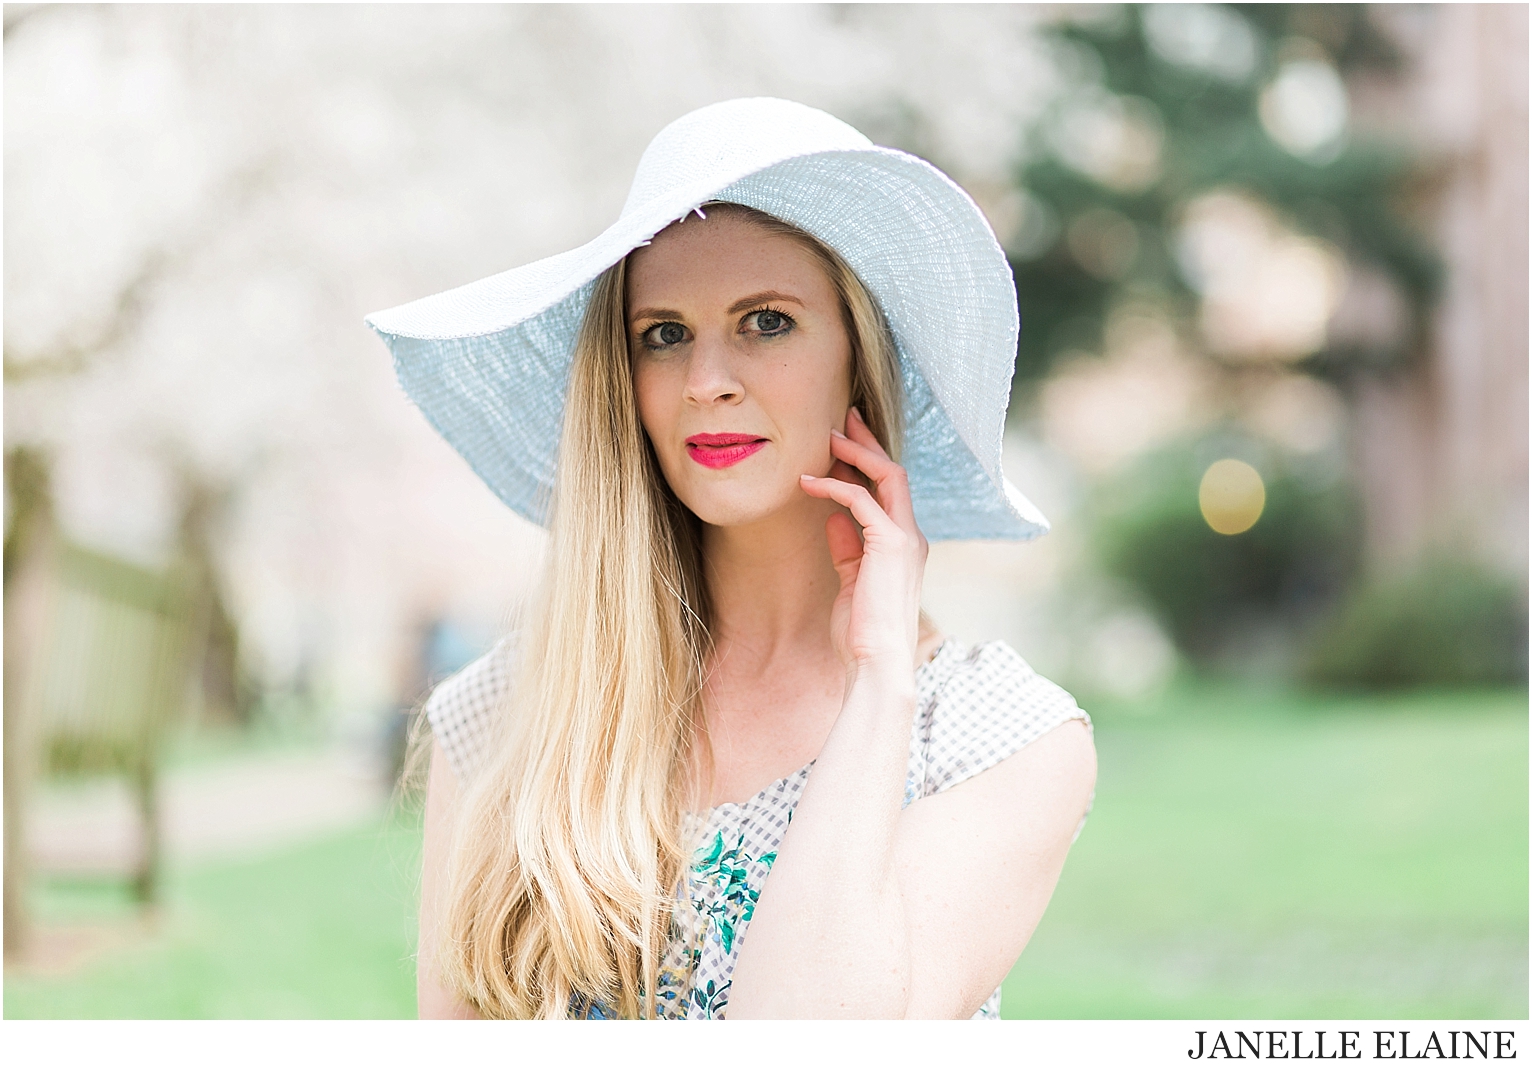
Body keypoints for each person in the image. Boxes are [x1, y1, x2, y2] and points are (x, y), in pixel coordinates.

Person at [366, 97, 1096, 1020]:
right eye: (663, 334)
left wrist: (878, 686)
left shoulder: (998, 738)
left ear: (856, 361)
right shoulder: (506, 717)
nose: (708, 380)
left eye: (767, 321)